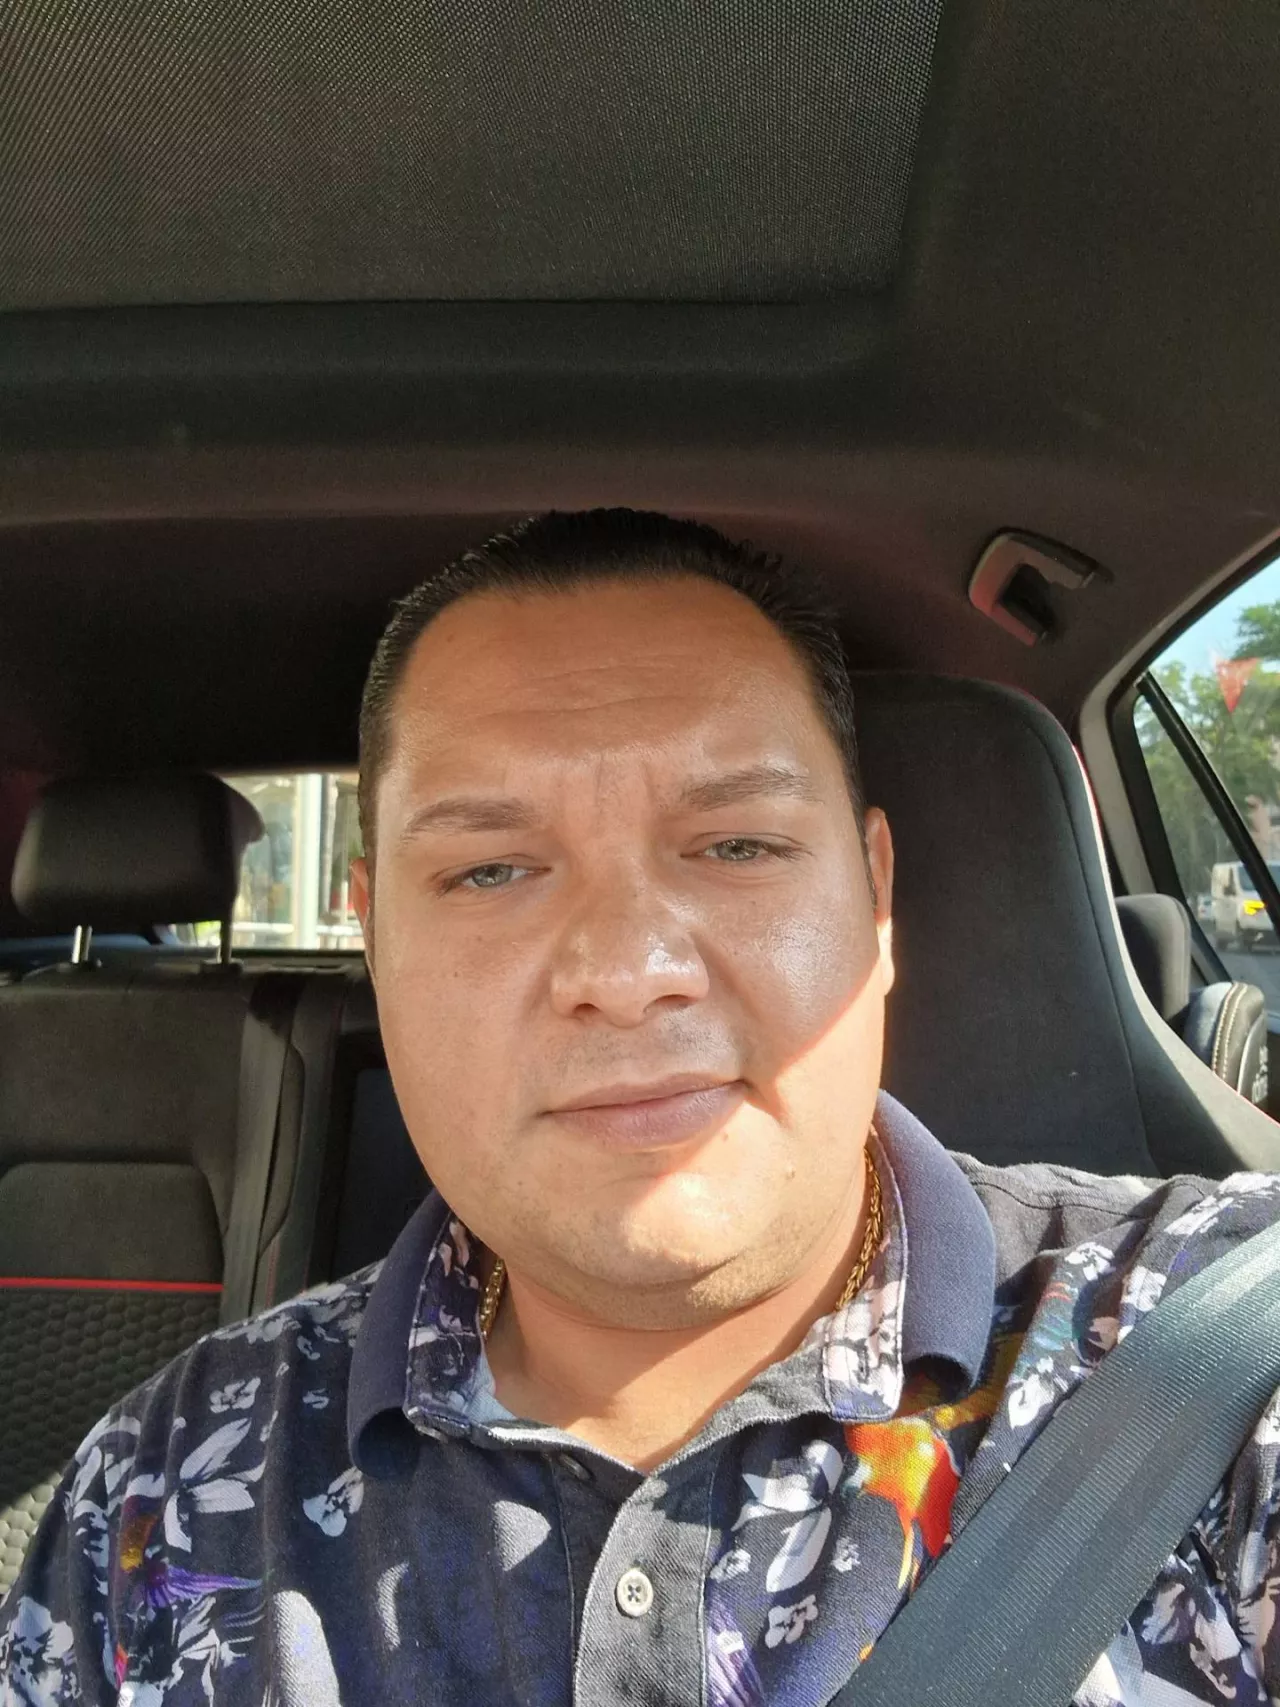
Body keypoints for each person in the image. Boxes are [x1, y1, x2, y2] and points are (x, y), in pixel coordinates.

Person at [3, 508, 1279, 1707]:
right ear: (376, 939)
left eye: (735, 846)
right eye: (490, 869)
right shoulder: (163, 1481)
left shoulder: (1224, 1365)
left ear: (875, 900)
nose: (624, 970)